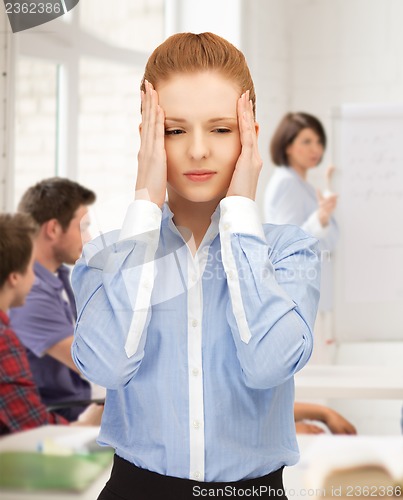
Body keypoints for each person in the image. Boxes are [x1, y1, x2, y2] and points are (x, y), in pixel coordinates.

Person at [71, 32, 321, 499]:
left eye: (222, 129)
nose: (199, 150)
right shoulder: (107, 254)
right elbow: (106, 366)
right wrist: (145, 204)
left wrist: (242, 209)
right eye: (174, 129)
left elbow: (269, 366)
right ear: (146, 137)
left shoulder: (290, 251)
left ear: (250, 136)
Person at [0, 213, 103, 434]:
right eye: (31, 268)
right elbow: (33, 428)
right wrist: (86, 425)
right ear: (15, 278)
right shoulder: (3, 341)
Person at [264, 112, 338, 364]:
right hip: (299, 296)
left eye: (318, 141)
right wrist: (321, 218)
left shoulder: (302, 184)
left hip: (313, 294)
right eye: (306, 141)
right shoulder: (286, 183)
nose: (315, 148)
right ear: (287, 145)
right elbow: (289, 242)